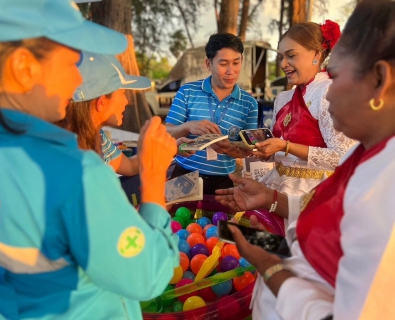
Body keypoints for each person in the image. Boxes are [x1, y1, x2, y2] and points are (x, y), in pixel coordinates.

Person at [0, 1, 179, 319]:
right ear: (24, 67)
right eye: (71, 62)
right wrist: (152, 178)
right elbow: (147, 275)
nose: (76, 82)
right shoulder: (72, 173)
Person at [215, 1, 395, 319]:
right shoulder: (367, 154)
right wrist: (274, 200)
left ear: (379, 80)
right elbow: (334, 217)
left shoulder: (385, 188)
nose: (328, 93)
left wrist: (270, 267)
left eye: (335, 76)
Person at [252, 20, 356, 196]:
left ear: (316, 54)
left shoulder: (329, 92)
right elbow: (279, 153)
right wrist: (259, 150)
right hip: (277, 184)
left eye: (291, 56)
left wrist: (286, 146)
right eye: (281, 57)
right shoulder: (284, 98)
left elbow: (344, 156)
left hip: (314, 193)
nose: (283, 64)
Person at [57, 52, 192, 176]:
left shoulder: (97, 137)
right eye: (122, 94)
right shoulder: (66, 152)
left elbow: (130, 165)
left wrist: (170, 148)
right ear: (102, 102)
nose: (127, 101)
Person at [165, 33, 258, 195]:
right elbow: (167, 132)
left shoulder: (249, 103)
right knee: (176, 219)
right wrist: (188, 126)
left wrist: (229, 148)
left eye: (236, 63)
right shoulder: (187, 91)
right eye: (223, 64)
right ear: (208, 64)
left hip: (223, 182)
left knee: (218, 221)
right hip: (183, 175)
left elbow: (248, 151)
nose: (231, 71)